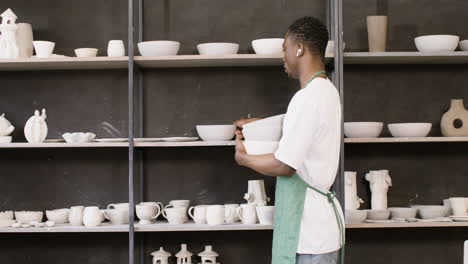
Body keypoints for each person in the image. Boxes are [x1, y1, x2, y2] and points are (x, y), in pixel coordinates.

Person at [234, 16, 344, 264]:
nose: (283, 56)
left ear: (300, 48)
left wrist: (244, 159)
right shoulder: (327, 90)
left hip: (309, 235)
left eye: (284, 48)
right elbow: (301, 128)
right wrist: (258, 123)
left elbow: (285, 165)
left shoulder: (306, 98)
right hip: (321, 232)